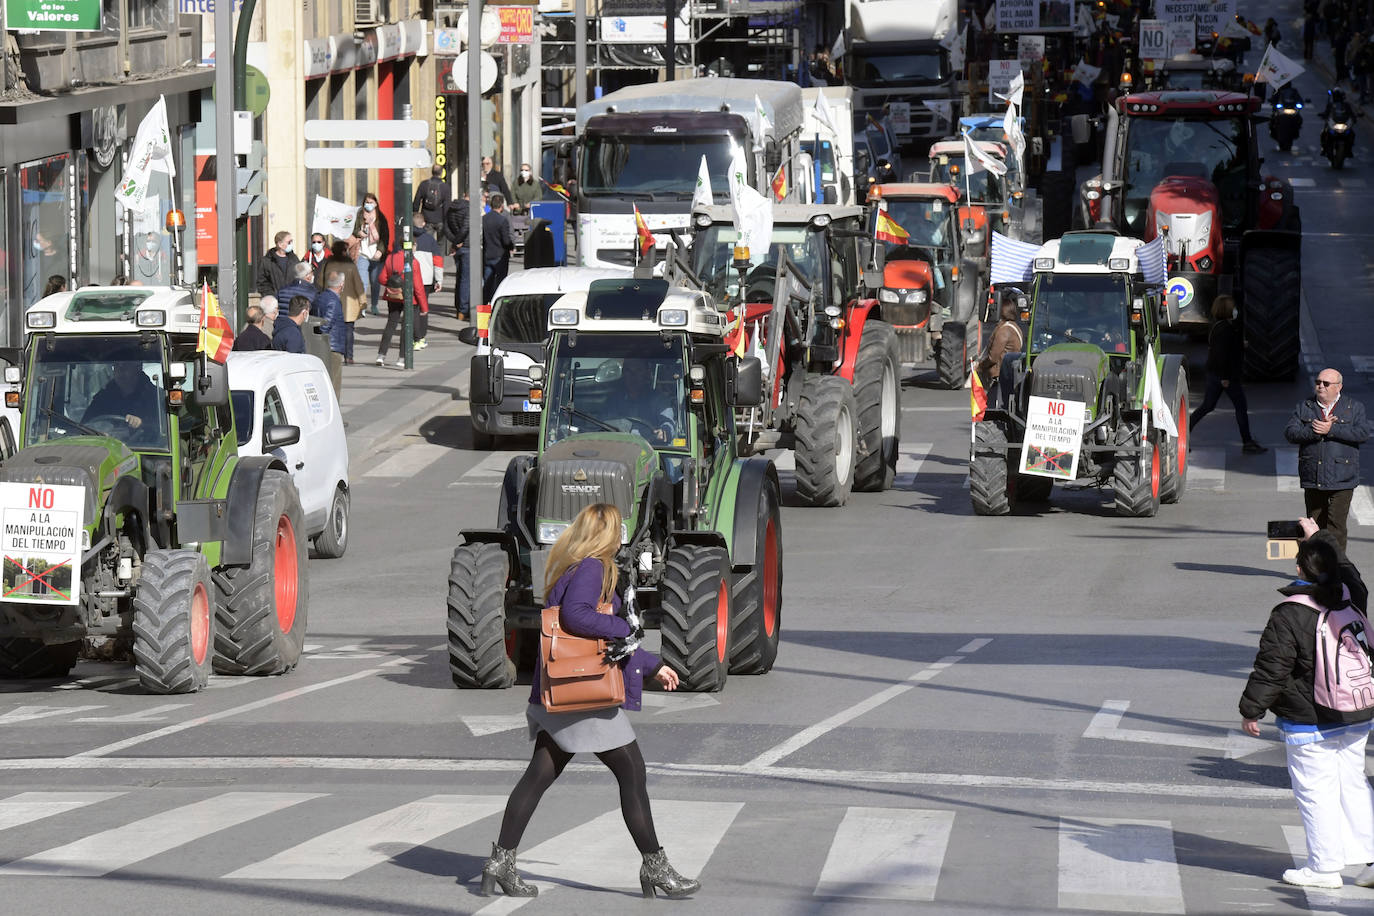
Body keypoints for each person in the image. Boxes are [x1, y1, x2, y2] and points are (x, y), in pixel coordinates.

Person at [481, 503, 699, 900]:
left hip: (563, 689)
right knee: (632, 773)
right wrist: (625, 627)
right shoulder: (594, 568)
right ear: (606, 534)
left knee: (540, 775)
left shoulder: (573, 566)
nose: (622, 537)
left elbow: (595, 640)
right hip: (584, 695)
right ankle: (656, 869)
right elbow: (579, 619)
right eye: (618, 529)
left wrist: (650, 664)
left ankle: (501, 861)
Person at [1240, 537, 1374, 890]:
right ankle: (1372, 858)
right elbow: (1354, 577)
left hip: (1310, 718)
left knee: (1316, 790)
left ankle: (1324, 868)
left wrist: (1251, 709)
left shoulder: (1290, 612)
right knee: (1353, 784)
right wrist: (1321, 538)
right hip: (1357, 710)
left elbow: (1273, 668)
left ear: (1299, 569)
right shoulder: (1350, 597)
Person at [1285, 369, 1371, 552]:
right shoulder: (1305, 406)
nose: (1320, 386)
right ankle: (1316, 567)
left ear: (1339, 386)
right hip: (1313, 476)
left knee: (1336, 526)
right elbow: (1291, 433)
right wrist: (1314, 431)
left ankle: (1336, 568)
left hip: (1343, 477)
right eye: (1318, 382)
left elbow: (1363, 433)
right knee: (1314, 526)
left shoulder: (1353, 407)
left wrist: (1331, 429)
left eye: (1326, 383)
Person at [1189, 295, 1266, 454]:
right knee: (1240, 407)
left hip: (1215, 374)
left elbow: (1225, 348)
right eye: (1233, 307)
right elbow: (1221, 354)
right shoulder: (1226, 329)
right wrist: (1225, 377)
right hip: (1225, 376)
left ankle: (1182, 433)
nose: (1235, 310)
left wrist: (1239, 345)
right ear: (1227, 310)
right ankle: (1247, 442)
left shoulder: (1218, 326)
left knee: (1207, 406)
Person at [375, 246, 429, 367]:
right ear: (412, 246)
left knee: (391, 324)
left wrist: (393, 284)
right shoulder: (413, 262)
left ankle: (381, 355)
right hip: (410, 298)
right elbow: (418, 286)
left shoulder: (391, 258)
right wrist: (424, 307)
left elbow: (381, 278)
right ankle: (402, 358)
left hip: (393, 296)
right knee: (406, 327)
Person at [318, 240, 365, 365]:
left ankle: (333, 352)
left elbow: (320, 282)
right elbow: (358, 285)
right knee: (349, 330)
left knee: (331, 328)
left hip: (330, 299)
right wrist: (363, 301)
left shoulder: (328, 265)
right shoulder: (351, 266)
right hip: (349, 303)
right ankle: (349, 356)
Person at [976, 288, 1025, 408]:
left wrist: (980, 366)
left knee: (992, 410)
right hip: (1008, 376)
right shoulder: (1015, 327)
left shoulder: (1005, 330)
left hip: (998, 378)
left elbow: (993, 357)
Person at [83, 361, 160, 433]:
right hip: (105, 445)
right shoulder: (104, 397)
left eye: (125, 366)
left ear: (138, 368)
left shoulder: (157, 397)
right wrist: (99, 430)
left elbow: (163, 429)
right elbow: (85, 424)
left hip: (145, 445)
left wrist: (142, 423)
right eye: (117, 366)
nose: (120, 371)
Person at [355, 192, 390, 315]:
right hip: (362, 254)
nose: (368, 205)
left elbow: (385, 237)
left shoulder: (381, 218)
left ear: (376, 204)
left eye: (371, 202)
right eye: (367, 202)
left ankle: (374, 304)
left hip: (376, 256)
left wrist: (380, 250)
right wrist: (358, 233)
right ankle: (362, 307)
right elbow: (353, 230)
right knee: (363, 282)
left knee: (375, 282)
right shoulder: (359, 215)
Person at [316, 271, 347, 398]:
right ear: (341, 285)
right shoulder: (333, 301)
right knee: (334, 385)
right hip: (332, 348)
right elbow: (325, 325)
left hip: (324, 346)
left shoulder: (321, 296)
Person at [482, 193, 515, 305]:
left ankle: (486, 302)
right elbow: (506, 240)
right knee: (500, 282)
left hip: (487, 254)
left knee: (487, 281)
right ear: (501, 206)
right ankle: (497, 303)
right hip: (500, 256)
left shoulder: (484, 219)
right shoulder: (502, 220)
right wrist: (511, 246)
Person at [445, 192, 472, 320]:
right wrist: (459, 241)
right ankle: (463, 309)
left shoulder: (452, 207)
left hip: (458, 247)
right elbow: (466, 227)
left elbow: (445, 227)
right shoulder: (469, 208)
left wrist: (454, 242)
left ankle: (459, 307)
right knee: (466, 279)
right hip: (467, 245)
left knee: (460, 278)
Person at [412, 164, 451, 245]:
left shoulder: (424, 184)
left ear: (432, 172)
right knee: (440, 245)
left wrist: (415, 215)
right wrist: (446, 221)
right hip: (440, 220)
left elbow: (417, 201)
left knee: (426, 243)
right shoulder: (445, 187)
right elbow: (447, 206)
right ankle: (439, 257)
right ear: (441, 173)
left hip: (426, 218)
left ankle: (428, 257)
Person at [256, 230, 299, 298]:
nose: (291, 244)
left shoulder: (294, 258)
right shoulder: (267, 261)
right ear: (280, 244)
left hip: (292, 299)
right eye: (289, 242)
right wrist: (272, 296)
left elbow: (299, 277)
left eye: (292, 241)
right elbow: (262, 283)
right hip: (274, 300)